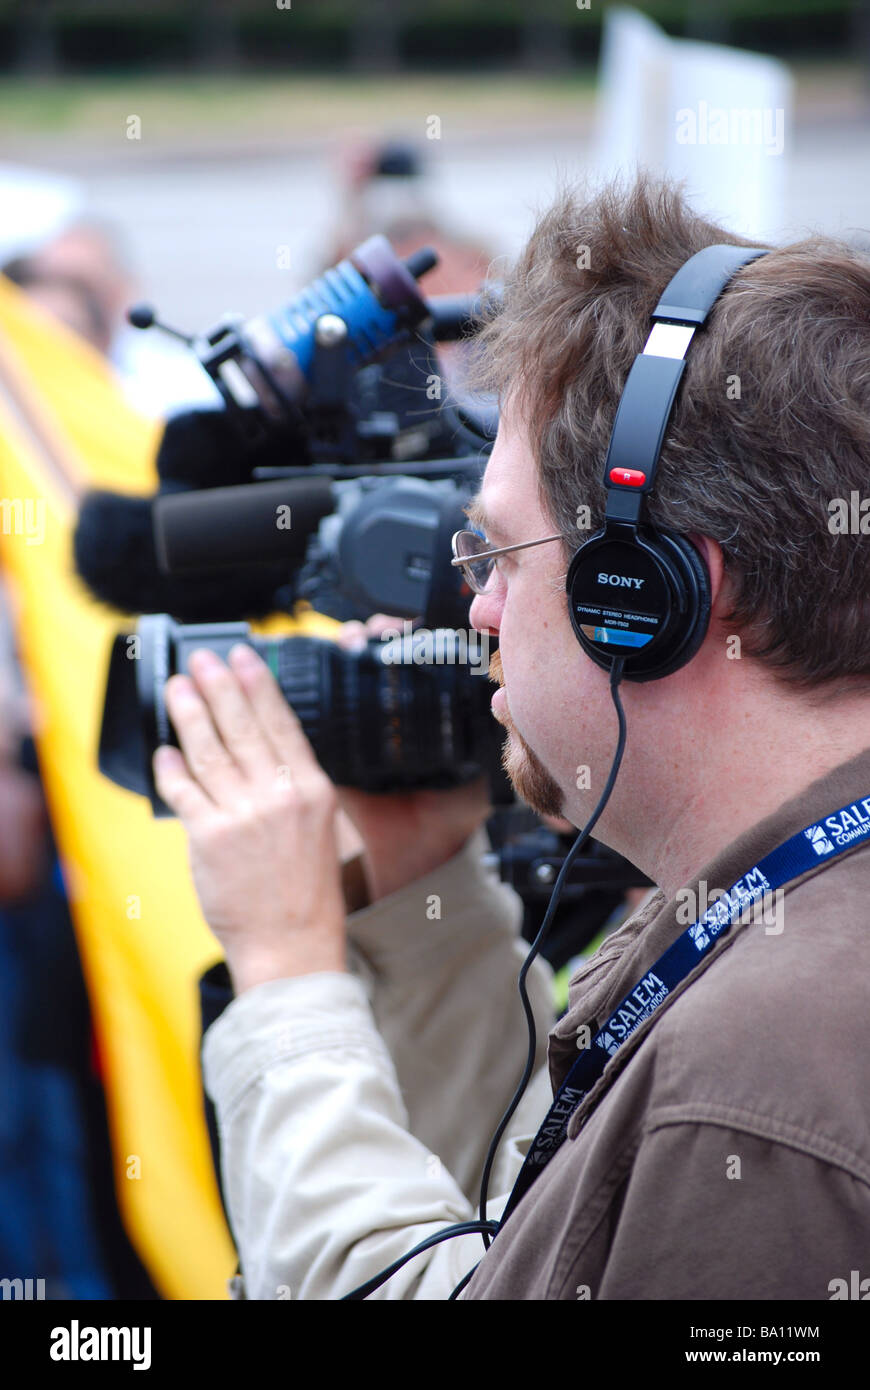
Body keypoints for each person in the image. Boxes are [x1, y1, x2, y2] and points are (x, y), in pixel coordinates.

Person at [153, 173, 870, 1299]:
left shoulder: (748, 1084)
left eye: (493, 553)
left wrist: (289, 974)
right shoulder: (782, 919)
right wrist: (425, 888)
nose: (470, 611)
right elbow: (532, 1242)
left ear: (650, 593)